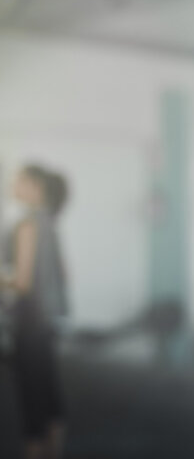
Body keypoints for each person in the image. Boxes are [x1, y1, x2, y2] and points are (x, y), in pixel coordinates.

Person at [1, 164, 68, 459]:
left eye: (18, 182)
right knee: (50, 399)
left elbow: (23, 281)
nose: (12, 187)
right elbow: (65, 275)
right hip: (46, 321)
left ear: (34, 186)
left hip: (28, 322)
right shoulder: (48, 221)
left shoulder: (26, 222)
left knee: (32, 406)